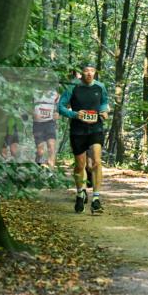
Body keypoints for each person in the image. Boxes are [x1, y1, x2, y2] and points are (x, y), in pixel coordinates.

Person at [58, 65, 109, 213]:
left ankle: (96, 199)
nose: (89, 73)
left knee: (97, 162)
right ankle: (80, 193)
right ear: (81, 73)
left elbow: (104, 102)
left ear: (95, 73)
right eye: (86, 70)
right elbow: (60, 107)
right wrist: (74, 114)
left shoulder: (100, 87)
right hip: (78, 130)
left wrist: (104, 110)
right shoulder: (73, 88)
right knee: (80, 165)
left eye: (92, 70)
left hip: (96, 129)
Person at [33, 87, 59, 167]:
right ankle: (38, 166)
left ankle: (51, 172)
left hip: (50, 123)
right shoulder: (34, 91)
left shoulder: (55, 94)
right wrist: (32, 113)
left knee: (51, 147)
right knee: (40, 151)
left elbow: (63, 105)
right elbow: (26, 105)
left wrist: (58, 112)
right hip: (38, 124)